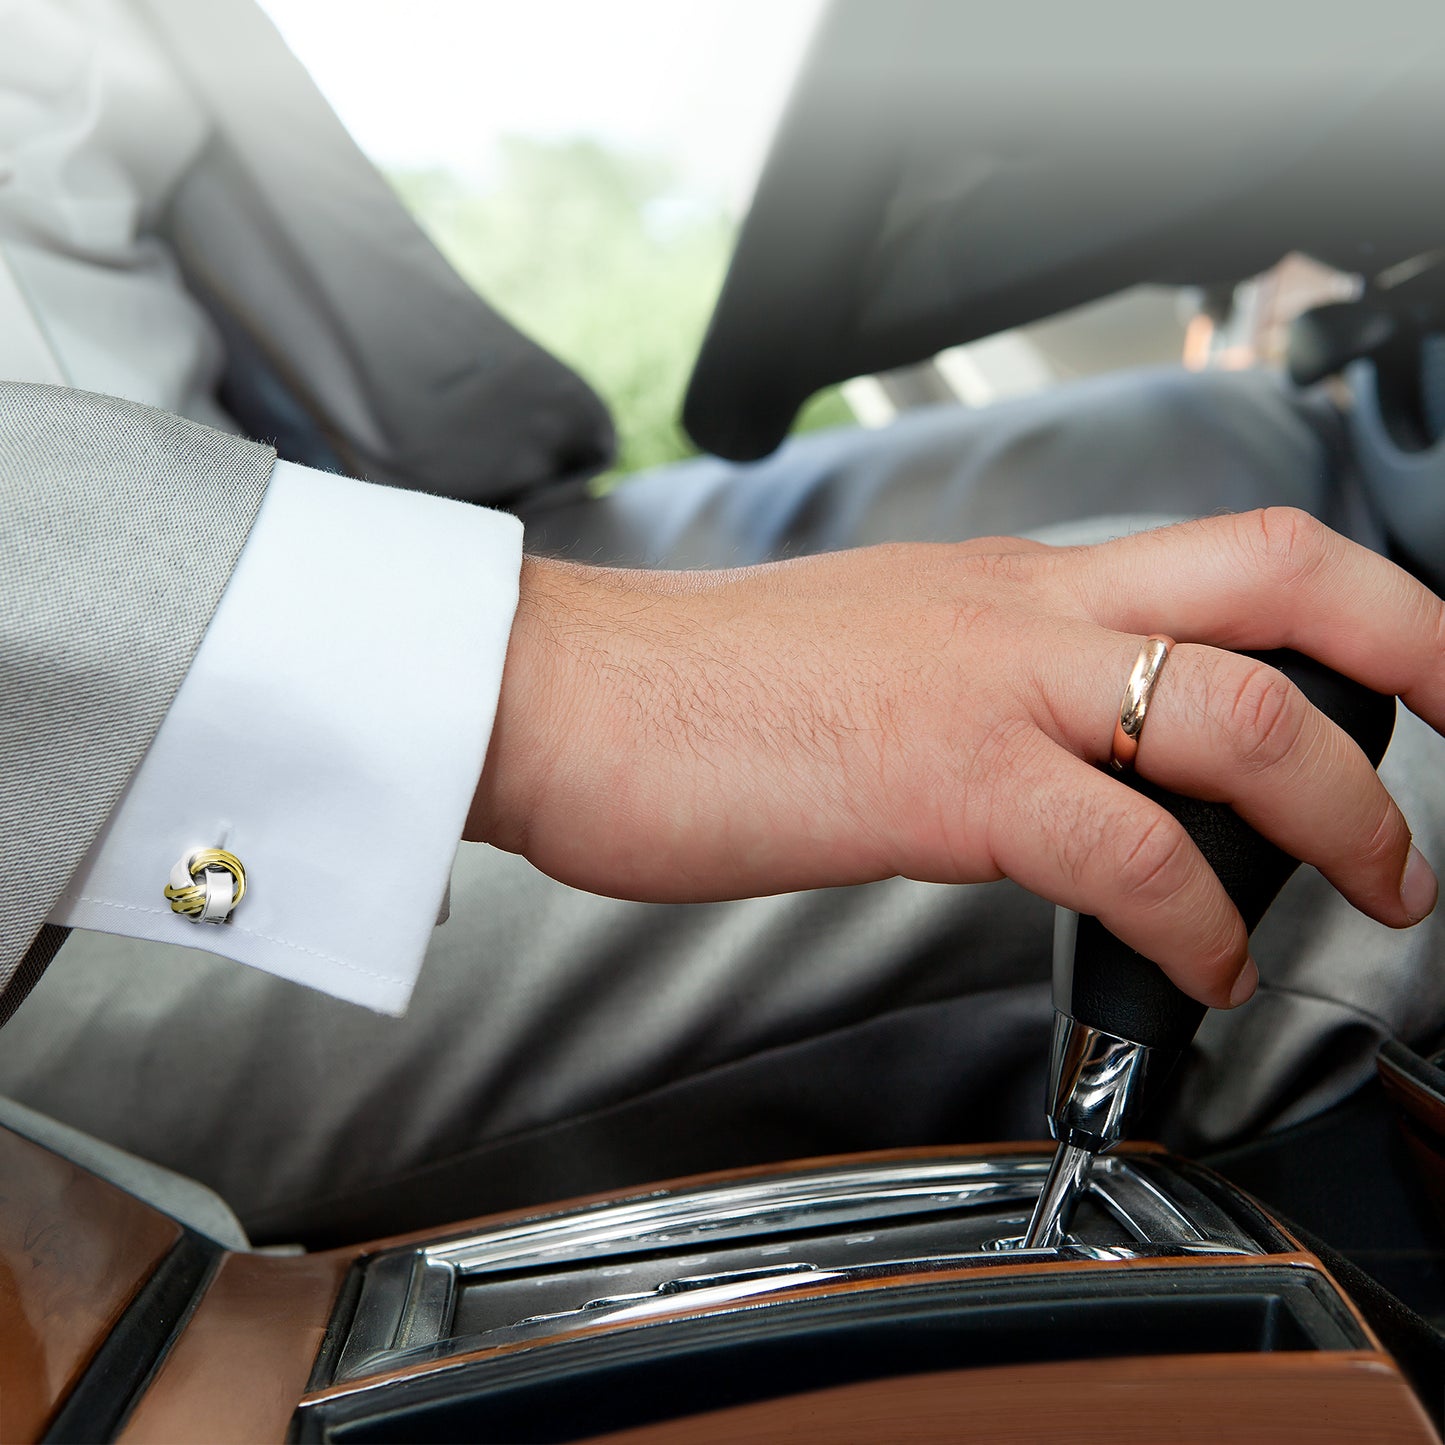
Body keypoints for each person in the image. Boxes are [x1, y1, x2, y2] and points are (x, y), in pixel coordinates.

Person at [4, 0, 1444, 1246]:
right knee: (1326, 799)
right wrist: (535, 679)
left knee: (1247, 465)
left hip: (327, 525)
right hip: (68, 877)